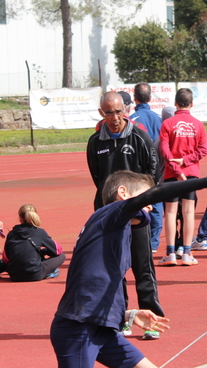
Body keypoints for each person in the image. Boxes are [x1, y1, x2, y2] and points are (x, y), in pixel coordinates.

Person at [50, 170, 207, 368]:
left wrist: (126, 314)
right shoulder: (114, 211)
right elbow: (156, 194)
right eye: (144, 198)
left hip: (101, 329)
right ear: (123, 193)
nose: (150, 206)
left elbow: (95, 284)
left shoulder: (113, 228)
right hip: (78, 330)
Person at [86, 91, 164, 338]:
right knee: (113, 270)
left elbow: (153, 174)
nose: (115, 117)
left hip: (138, 215)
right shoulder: (95, 142)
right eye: (109, 112)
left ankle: (151, 319)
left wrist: (144, 201)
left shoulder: (141, 138)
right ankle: (121, 319)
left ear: (126, 110)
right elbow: (98, 179)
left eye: (119, 111)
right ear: (102, 113)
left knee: (143, 269)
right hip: (108, 217)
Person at [158, 88, 207, 266]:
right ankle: (186, 253)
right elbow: (203, 150)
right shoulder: (198, 125)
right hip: (191, 173)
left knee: (170, 212)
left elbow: (164, 150)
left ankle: (170, 253)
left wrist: (176, 169)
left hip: (172, 174)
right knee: (189, 212)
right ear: (191, 104)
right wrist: (186, 161)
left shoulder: (167, 124)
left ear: (175, 103)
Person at [130, 83, 164, 253]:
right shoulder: (160, 119)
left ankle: (138, 241)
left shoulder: (131, 120)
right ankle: (154, 243)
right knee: (157, 204)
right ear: (150, 98)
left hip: (138, 171)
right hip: (157, 169)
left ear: (134, 98)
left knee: (136, 204)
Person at [3, 204, 66, 282]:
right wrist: (45, 251)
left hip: (15, 276)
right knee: (62, 256)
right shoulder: (39, 232)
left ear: (20, 217)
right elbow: (57, 250)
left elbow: (6, 258)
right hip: (35, 274)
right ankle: (48, 272)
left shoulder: (12, 233)